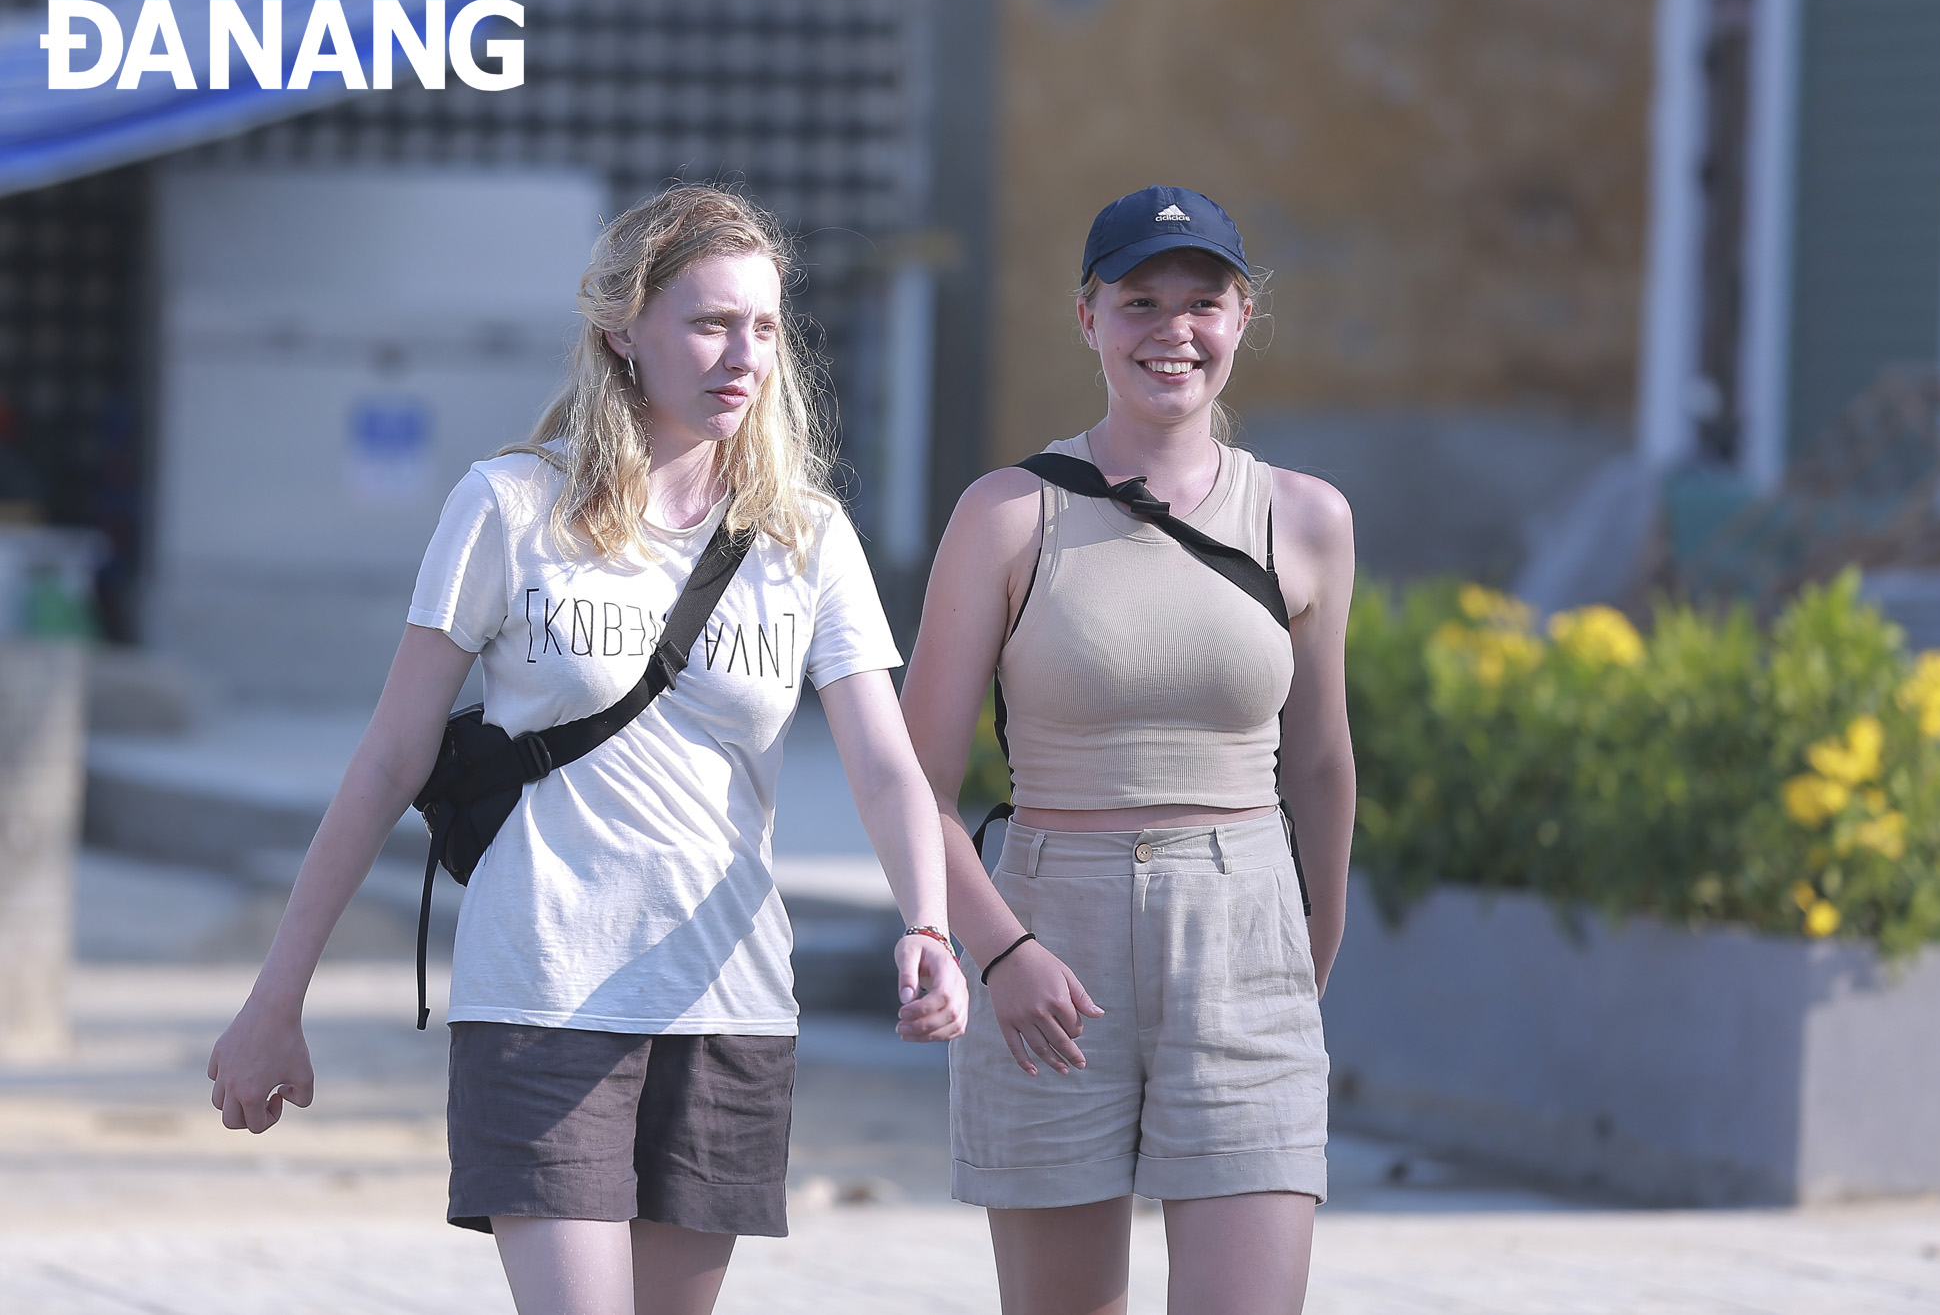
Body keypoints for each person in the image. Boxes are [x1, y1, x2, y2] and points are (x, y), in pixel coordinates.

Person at [208, 184, 968, 1315]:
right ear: (623, 326)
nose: (743, 355)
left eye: (763, 327)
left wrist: (927, 920)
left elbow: (883, 761)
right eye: (710, 322)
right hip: (542, 992)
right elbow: (386, 760)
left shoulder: (802, 534)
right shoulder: (510, 505)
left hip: (730, 999)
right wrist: (276, 995)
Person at [900, 186, 1356, 1315]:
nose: (1173, 330)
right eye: (1138, 300)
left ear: (1244, 316)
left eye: (1202, 302)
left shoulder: (1305, 518)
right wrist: (998, 951)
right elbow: (912, 781)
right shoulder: (1006, 513)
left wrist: (1307, 956)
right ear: (1085, 317)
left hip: (1246, 930)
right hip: (1052, 934)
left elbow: (1320, 766)